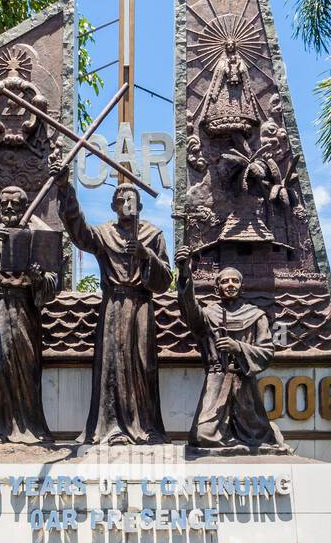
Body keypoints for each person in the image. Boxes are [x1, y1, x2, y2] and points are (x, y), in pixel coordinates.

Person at [51, 163, 172, 445]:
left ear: (140, 205)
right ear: (113, 205)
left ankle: (145, 427)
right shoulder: (105, 233)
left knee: (143, 365)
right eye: (121, 199)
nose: (126, 203)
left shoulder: (153, 235)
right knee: (113, 365)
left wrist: (146, 256)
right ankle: (112, 427)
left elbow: (165, 279)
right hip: (114, 306)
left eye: (131, 199)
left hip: (142, 305)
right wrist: (65, 189)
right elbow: (79, 233)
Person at [0, 185, 59, 443]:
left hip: (25, 309)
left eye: (14, 204)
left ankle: (29, 428)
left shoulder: (36, 236)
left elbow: (52, 283)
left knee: (28, 368)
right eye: (4, 204)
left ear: (23, 206)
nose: (8, 209)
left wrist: (38, 276)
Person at [176, 248, 293, 453]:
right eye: (224, 281)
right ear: (217, 288)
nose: (230, 285)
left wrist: (238, 347)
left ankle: (265, 430)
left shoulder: (256, 316)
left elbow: (267, 352)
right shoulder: (209, 315)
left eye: (234, 281)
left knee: (257, 436)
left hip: (244, 383)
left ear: (241, 287)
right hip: (217, 380)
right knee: (202, 436)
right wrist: (185, 273)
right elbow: (189, 311)